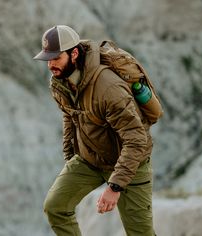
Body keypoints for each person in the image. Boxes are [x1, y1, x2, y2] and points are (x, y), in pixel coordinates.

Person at [34, 25, 156, 236]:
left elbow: (137, 140)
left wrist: (115, 187)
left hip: (129, 163)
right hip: (89, 159)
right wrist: (70, 157)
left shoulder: (108, 88)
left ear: (73, 53)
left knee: (141, 234)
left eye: (56, 57)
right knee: (55, 207)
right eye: (48, 58)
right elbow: (69, 117)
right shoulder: (59, 82)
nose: (50, 64)